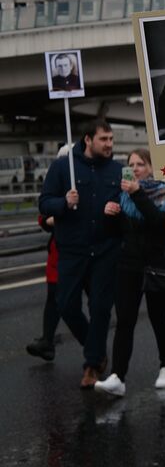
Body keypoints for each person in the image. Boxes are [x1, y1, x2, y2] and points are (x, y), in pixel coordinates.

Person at [36, 119, 123, 388]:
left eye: (111, 139)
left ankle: (92, 364)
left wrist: (118, 208)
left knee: (100, 308)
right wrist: (64, 202)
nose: (109, 144)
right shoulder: (63, 168)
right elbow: (44, 203)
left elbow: (128, 203)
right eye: (104, 139)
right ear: (88, 139)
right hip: (72, 250)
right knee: (66, 305)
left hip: (106, 249)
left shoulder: (118, 170)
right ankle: (95, 347)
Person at [94, 148, 165, 396]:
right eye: (130, 164)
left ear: (151, 167)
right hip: (129, 266)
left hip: (157, 265)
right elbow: (114, 233)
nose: (135, 168)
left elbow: (159, 223)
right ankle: (118, 377)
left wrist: (138, 193)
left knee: (158, 318)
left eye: (140, 164)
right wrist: (109, 214)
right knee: (124, 321)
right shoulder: (123, 196)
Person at [27, 149, 91, 362]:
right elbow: (44, 214)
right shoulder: (57, 184)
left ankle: (93, 344)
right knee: (56, 298)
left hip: (86, 252)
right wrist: (56, 216)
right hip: (59, 251)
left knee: (89, 302)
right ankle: (48, 341)